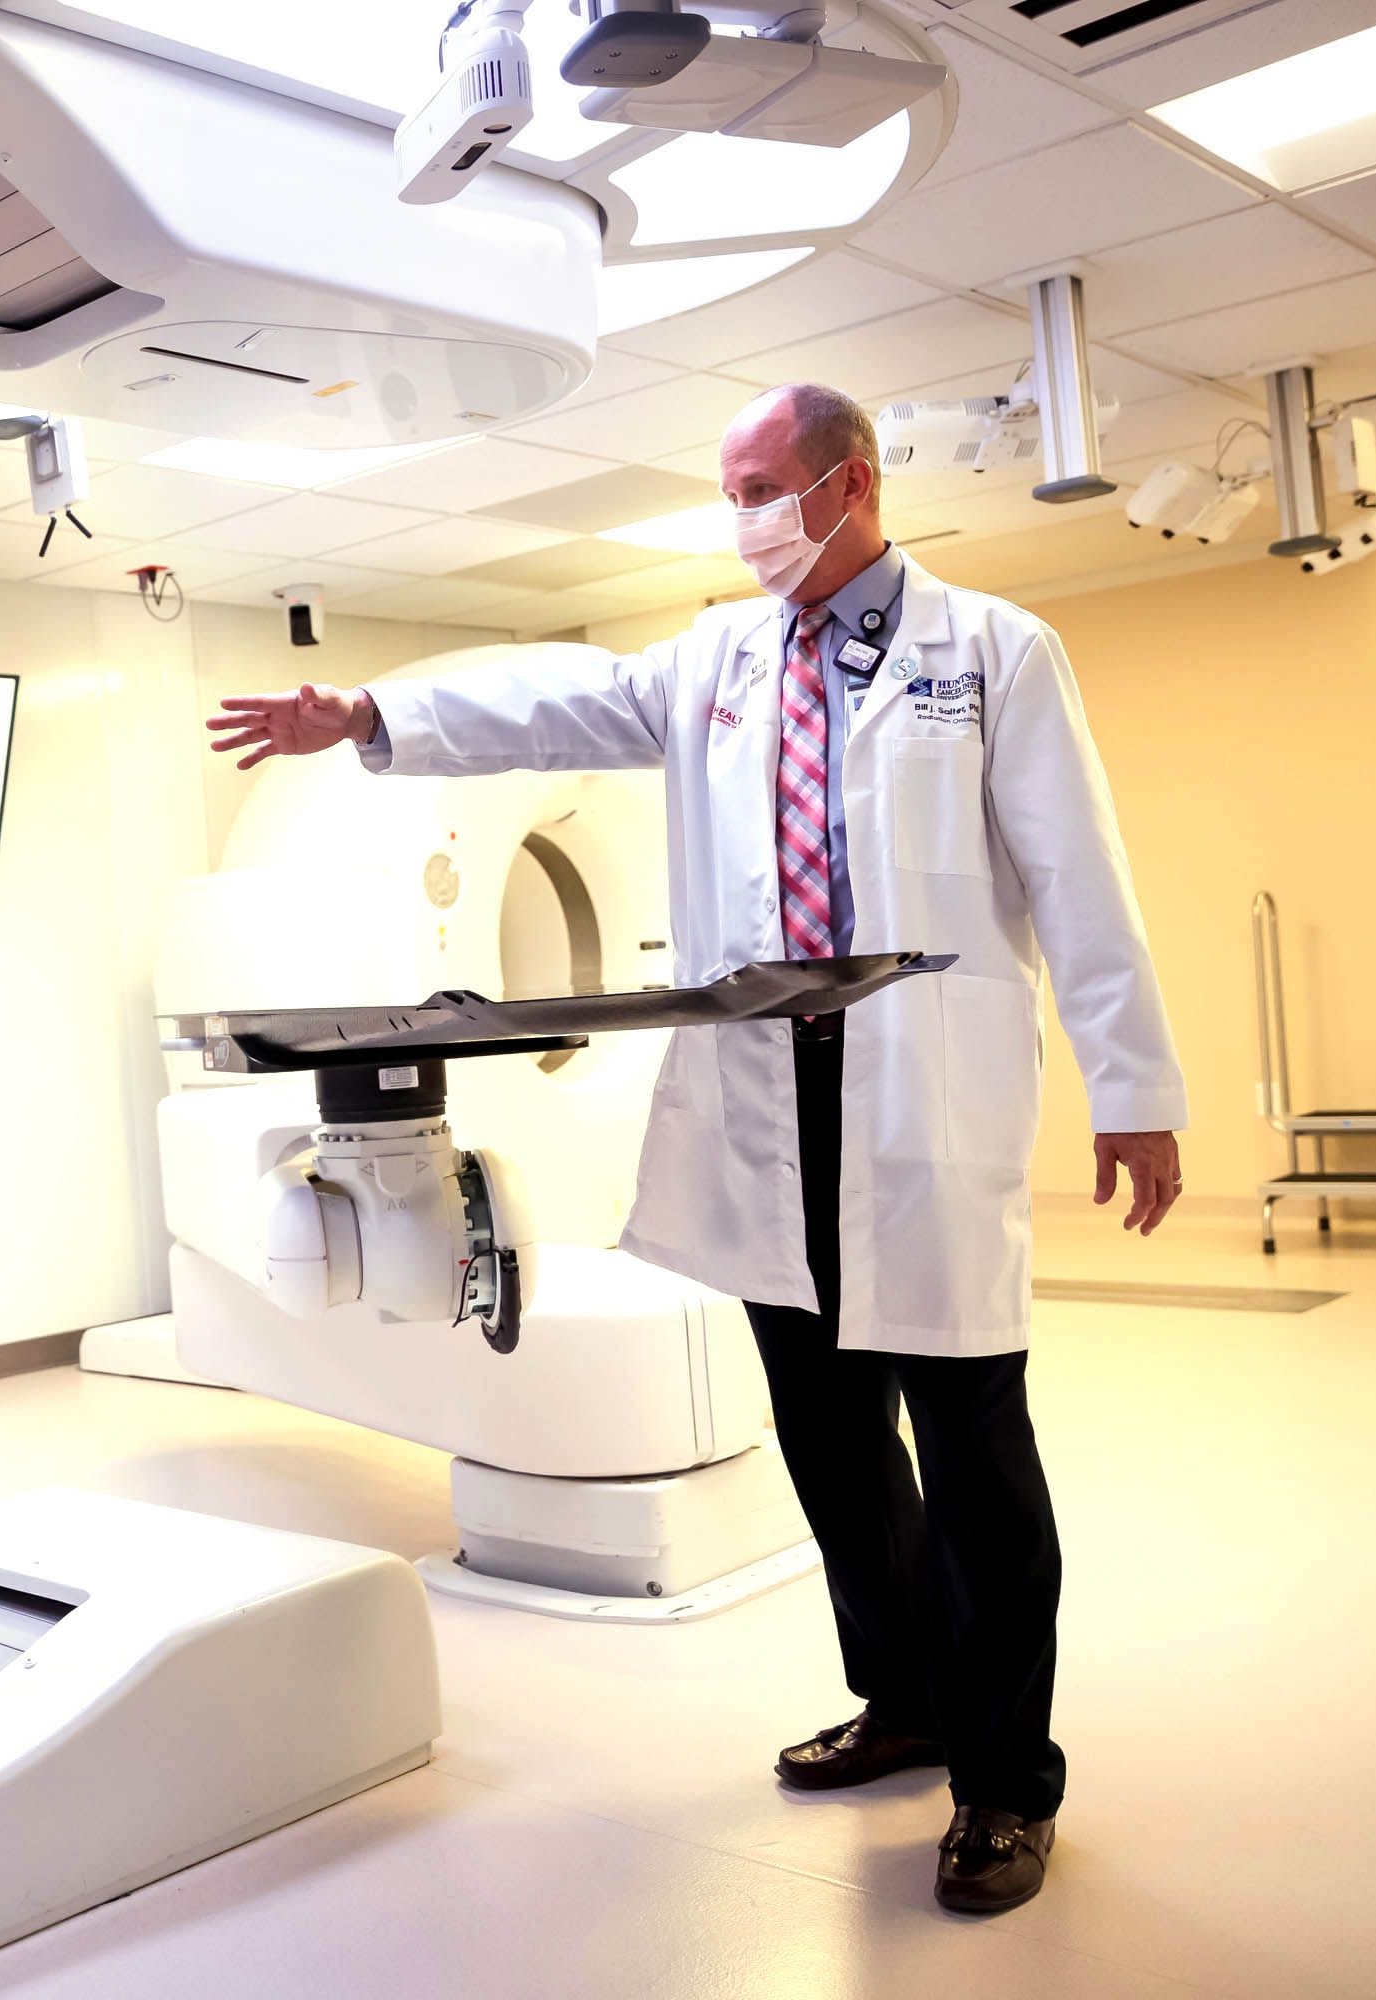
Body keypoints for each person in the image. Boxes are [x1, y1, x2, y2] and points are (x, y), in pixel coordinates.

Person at [204, 381, 1186, 1916]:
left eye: (758, 485)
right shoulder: (715, 663)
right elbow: (555, 702)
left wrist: (1138, 1086)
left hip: (920, 1104)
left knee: (978, 1463)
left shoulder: (992, 652)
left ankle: (1008, 1781)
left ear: (849, 483)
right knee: (834, 1448)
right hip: (765, 1106)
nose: (740, 516)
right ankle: (912, 1697)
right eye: (727, 490)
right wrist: (374, 717)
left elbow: (1079, 876)